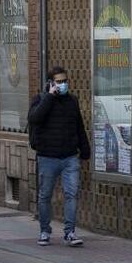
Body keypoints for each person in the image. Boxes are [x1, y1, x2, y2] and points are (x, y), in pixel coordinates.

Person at [28, 66, 91, 247]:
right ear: (50, 83)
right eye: (59, 82)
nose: (63, 84)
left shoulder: (72, 101)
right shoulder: (40, 99)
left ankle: (70, 232)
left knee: (72, 194)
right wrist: (50, 96)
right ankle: (44, 231)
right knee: (45, 195)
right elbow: (34, 118)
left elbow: (79, 126)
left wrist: (85, 149)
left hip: (70, 157)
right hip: (47, 157)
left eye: (65, 81)